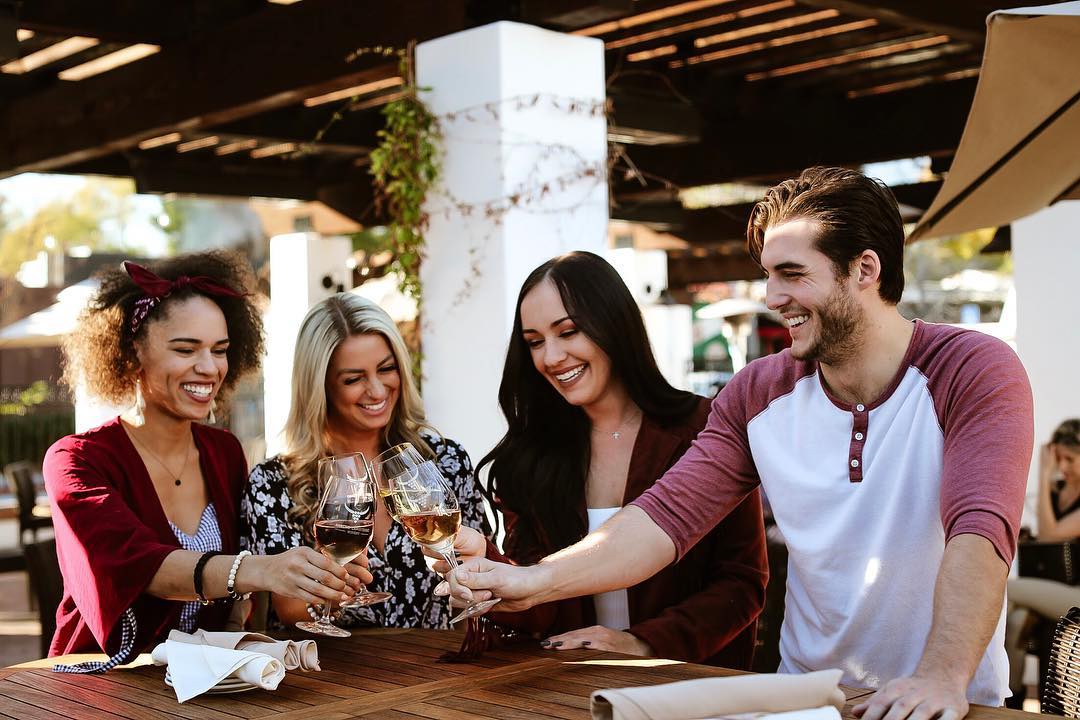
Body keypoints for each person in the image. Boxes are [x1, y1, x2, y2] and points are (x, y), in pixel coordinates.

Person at [442, 167, 1033, 717]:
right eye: (768, 275)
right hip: (808, 697)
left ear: (865, 270)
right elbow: (663, 519)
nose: (773, 296)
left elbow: (980, 532)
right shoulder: (758, 391)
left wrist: (941, 676)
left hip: (945, 702)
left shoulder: (974, 368)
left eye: (793, 274)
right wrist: (534, 579)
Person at [44, 252, 369, 666]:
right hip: (105, 683)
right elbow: (142, 567)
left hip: (207, 682)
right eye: (186, 349)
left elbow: (241, 606)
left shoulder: (224, 451)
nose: (209, 367)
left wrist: (317, 575)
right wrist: (260, 569)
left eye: (220, 349)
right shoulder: (76, 461)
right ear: (131, 353)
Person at [445, 251, 767, 665]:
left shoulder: (706, 429)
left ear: (613, 325)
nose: (551, 357)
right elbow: (539, 600)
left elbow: (742, 583)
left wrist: (644, 643)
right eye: (535, 342)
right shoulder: (530, 457)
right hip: (571, 693)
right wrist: (486, 566)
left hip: (690, 688)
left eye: (569, 331)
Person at [241, 292, 489, 630]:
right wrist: (329, 587)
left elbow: (478, 581)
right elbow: (292, 614)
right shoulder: (272, 484)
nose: (377, 389)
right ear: (320, 386)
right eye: (354, 378)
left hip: (440, 669)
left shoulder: (445, 460)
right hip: (331, 677)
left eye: (386, 369)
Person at [1004, 418, 1080, 704]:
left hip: (1076, 595)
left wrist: (1043, 471)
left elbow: (1051, 534)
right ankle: (1013, 701)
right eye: (1058, 459)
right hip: (1055, 589)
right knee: (1015, 621)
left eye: (1070, 459)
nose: (1062, 467)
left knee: (1003, 588)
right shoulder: (1060, 491)